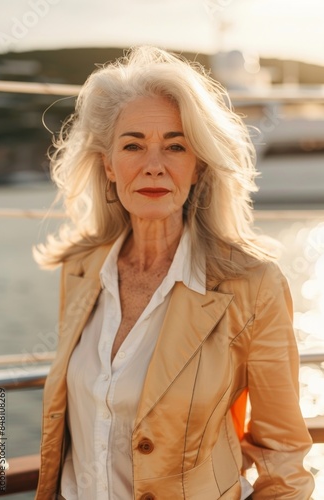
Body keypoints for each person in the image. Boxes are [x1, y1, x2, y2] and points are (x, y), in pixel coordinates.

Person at [34, 46, 314, 500]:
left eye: (175, 145)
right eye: (133, 145)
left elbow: (284, 462)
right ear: (108, 164)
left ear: (198, 164)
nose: (153, 165)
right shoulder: (81, 268)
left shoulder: (253, 286)